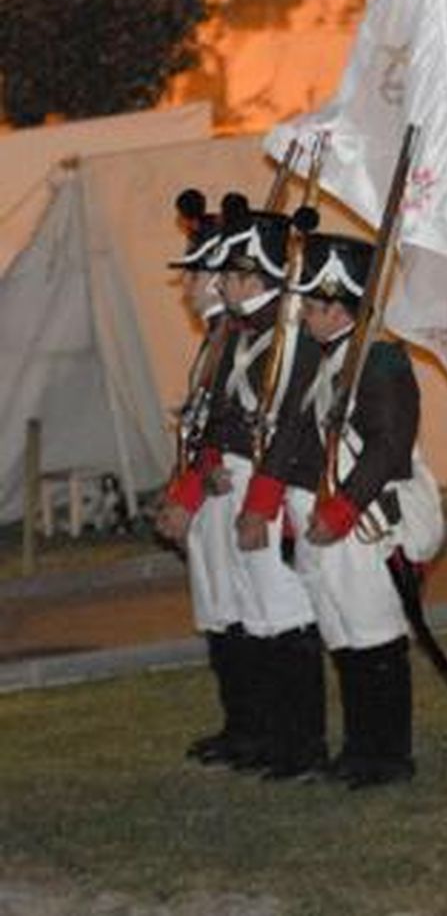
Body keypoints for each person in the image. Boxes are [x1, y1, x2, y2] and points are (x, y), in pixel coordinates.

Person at [240, 229, 428, 789]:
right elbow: (299, 434)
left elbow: (389, 444)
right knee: (344, 635)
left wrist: (343, 508)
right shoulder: (332, 360)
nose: (307, 314)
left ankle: (388, 753)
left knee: (375, 635)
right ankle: (360, 747)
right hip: (333, 518)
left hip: (365, 520)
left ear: (341, 304)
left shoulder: (382, 359)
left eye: (316, 304)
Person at [159, 194, 325, 779]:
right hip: (230, 481)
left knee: (282, 615)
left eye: (228, 271)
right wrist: (192, 485)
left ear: (252, 275)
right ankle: (259, 732)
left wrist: (259, 503)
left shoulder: (291, 336)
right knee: (247, 615)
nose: (216, 283)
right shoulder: (237, 333)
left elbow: (291, 428)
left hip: (268, 486)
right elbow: (216, 418)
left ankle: (300, 744)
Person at [158, 189, 250, 767]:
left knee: (240, 610)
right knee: (219, 609)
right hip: (211, 491)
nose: (186, 286)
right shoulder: (217, 340)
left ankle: (257, 727)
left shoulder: (235, 339)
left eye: (194, 274)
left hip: (229, 491)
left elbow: (224, 426)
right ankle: (240, 724)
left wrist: (188, 493)